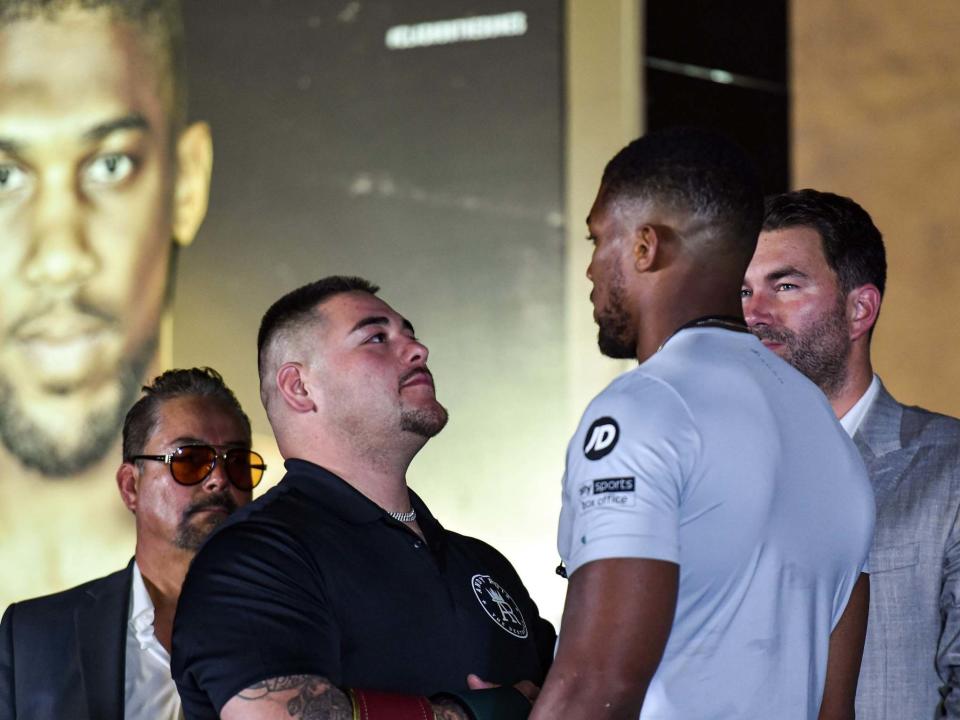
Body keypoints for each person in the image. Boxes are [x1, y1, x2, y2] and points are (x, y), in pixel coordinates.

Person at [529, 129, 875, 719]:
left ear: (645, 246)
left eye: (597, 239)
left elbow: (594, 687)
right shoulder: (828, 435)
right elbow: (833, 711)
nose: (589, 269)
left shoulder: (645, 406)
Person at [172, 276, 555, 720]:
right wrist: (474, 714)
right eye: (377, 337)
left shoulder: (483, 563)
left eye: (411, 334)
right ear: (299, 387)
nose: (418, 350)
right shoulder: (254, 556)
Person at [0, 0, 213, 605]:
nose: (60, 255)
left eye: (109, 165)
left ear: (187, 183)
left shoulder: (316, 555)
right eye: (3, 178)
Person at [741, 188, 960, 718]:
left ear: (860, 308)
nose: (754, 313)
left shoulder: (949, 468)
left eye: (785, 285)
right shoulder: (716, 470)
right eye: (743, 291)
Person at [0, 367, 261, 720]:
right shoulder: (34, 635)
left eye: (236, 461)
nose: (218, 478)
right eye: (189, 461)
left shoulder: (298, 625)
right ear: (131, 487)